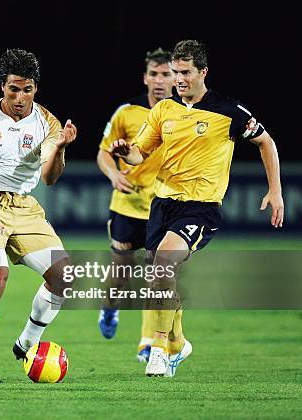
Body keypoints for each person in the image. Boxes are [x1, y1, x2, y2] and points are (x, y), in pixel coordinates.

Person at [110, 40, 284, 377]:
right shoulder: (163, 111)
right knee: (160, 279)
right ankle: (178, 344)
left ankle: (158, 349)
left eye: (186, 72)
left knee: (163, 263)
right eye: (175, 72)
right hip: (162, 205)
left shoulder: (228, 110)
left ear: (203, 72)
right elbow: (139, 153)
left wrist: (275, 190)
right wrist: (123, 151)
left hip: (201, 206)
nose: (179, 79)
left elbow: (266, 141)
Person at [0, 48, 77, 383]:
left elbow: (49, 177)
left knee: (64, 276)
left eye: (28, 90)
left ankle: (28, 341)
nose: (21, 97)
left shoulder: (47, 123)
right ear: (2, 88)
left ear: (36, 88)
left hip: (24, 206)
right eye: (13, 89)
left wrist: (60, 149)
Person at [96, 47, 175, 363]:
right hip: (128, 205)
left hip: (165, 206)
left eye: (166, 74)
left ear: (176, 79)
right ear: (145, 78)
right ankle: (110, 308)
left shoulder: (183, 115)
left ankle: (148, 343)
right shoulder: (126, 113)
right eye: (154, 74)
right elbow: (103, 153)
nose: (159, 80)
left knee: (158, 274)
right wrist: (114, 174)